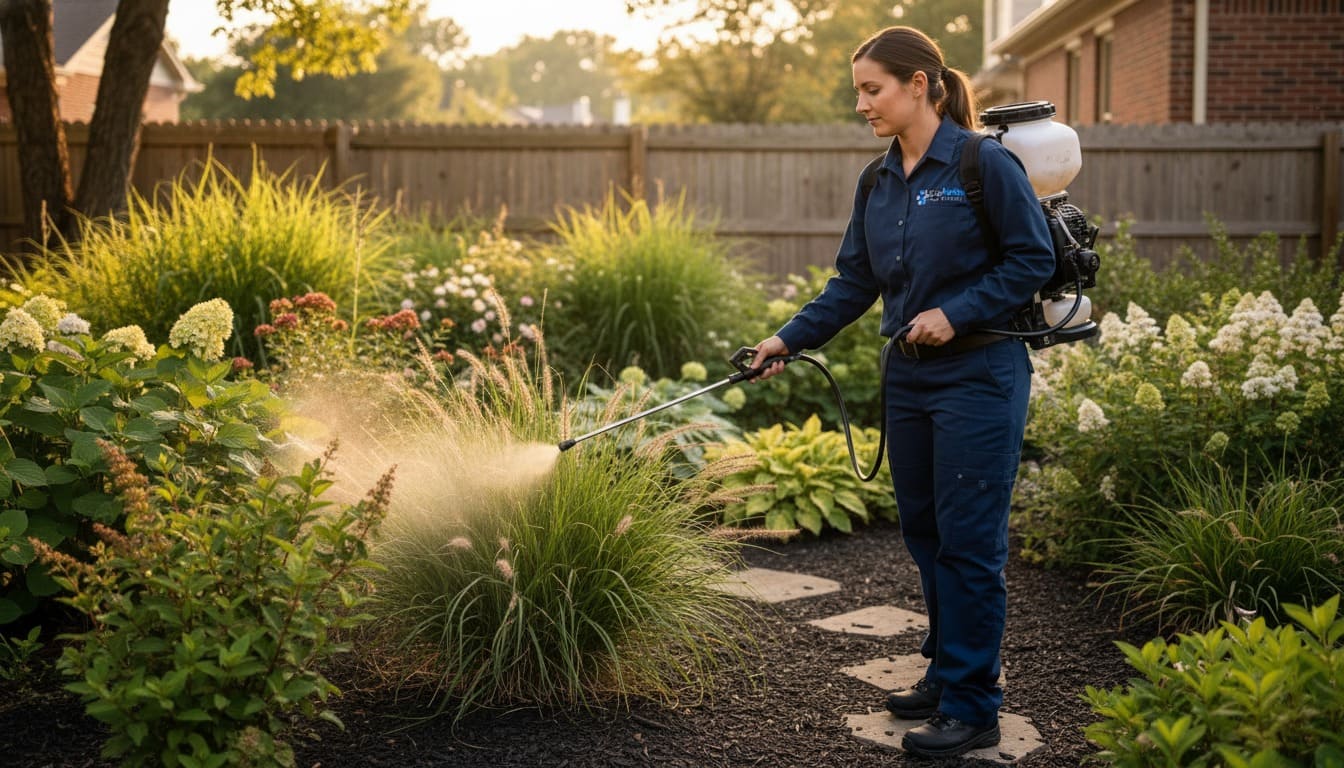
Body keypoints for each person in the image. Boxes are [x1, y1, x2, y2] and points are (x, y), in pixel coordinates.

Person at [749, 26, 1055, 759]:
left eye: (872, 88)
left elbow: (1032, 259)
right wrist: (786, 339)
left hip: (980, 375)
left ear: (921, 85)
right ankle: (948, 677)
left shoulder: (984, 164)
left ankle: (976, 703)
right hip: (910, 377)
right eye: (858, 90)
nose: (862, 104)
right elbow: (854, 282)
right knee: (925, 534)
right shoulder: (879, 179)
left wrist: (956, 313)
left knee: (971, 544)